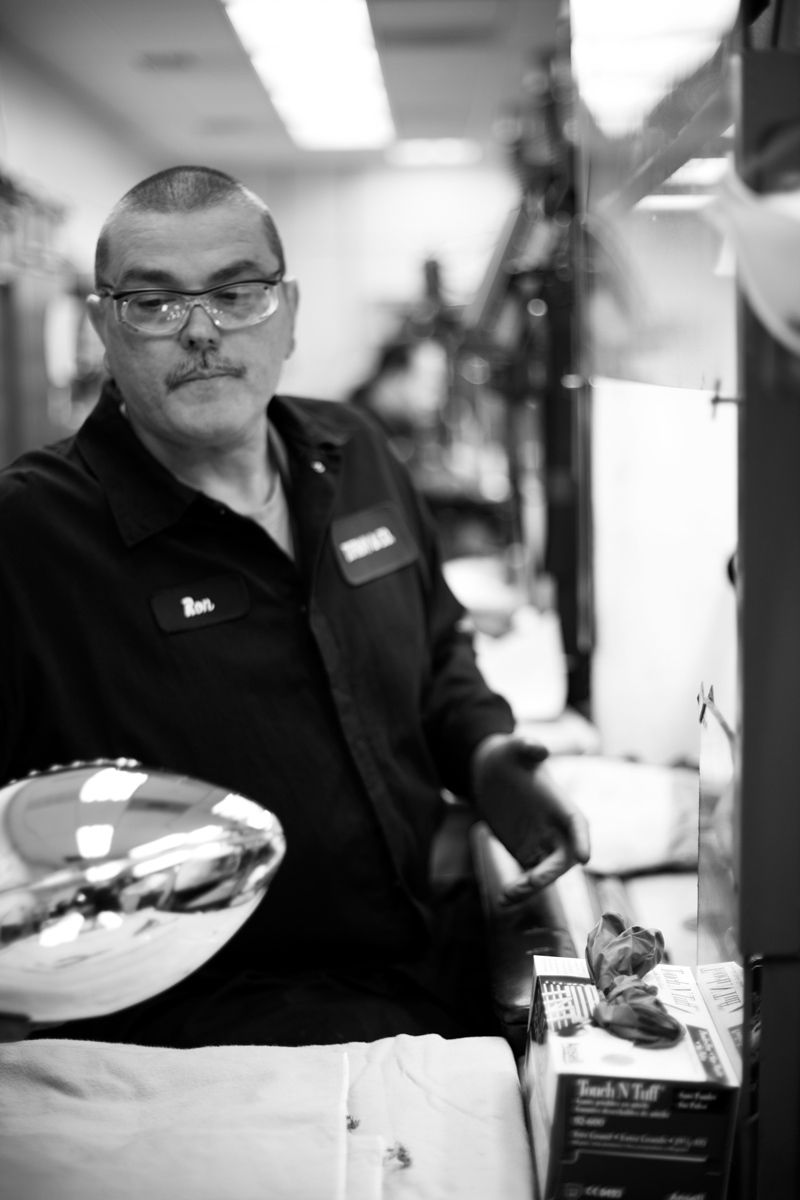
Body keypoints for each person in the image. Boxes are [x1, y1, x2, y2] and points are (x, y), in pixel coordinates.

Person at [0, 165, 589, 1047]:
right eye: (153, 304)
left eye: (236, 293)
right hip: (205, 1048)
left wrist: (485, 751)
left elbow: (439, 650)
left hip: (431, 972)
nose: (201, 330)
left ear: (289, 312)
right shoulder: (30, 536)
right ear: (102, 327)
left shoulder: (357, 453)